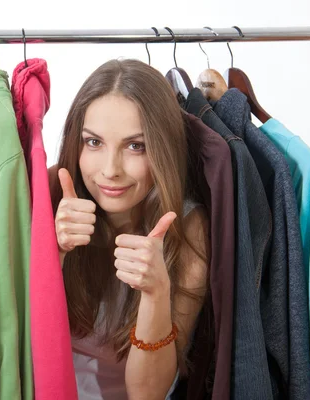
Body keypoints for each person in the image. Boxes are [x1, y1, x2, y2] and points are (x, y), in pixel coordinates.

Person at [49, 59, 210, 400]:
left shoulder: (188, 229)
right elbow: (16, 351)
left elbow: (147, 394)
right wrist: (54, 256)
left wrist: (155, 291)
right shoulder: (49, 192)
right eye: (94, 143)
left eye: (135, 146)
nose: (110, 170)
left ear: (163, 149)